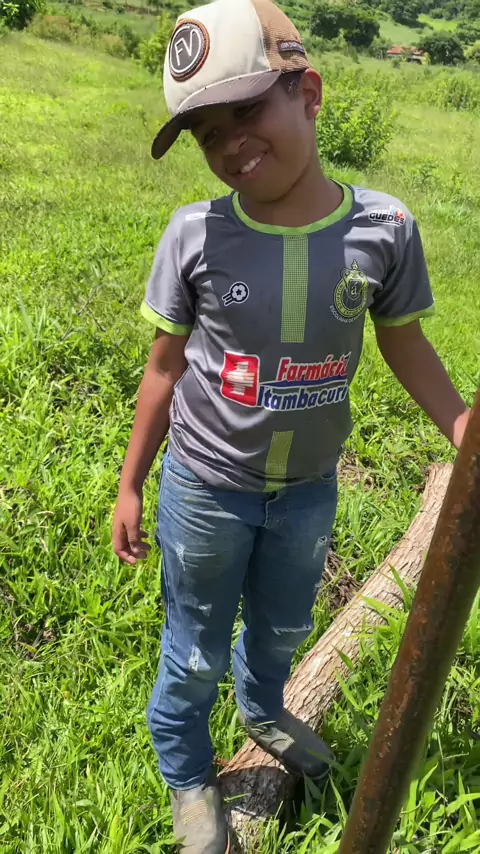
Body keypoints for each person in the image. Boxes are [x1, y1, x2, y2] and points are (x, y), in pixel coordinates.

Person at [112, 0, 471, 851]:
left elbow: (405, 341)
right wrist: (130, 485)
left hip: (308, 492)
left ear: (306, 92)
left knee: (281, 627)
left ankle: (265, 708)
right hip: (206, 489)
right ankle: (188, 773)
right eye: (208, 134)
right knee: (194, 648)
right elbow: (162, 372)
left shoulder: (384, 228)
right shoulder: (194, 235)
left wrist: (462, 427)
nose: (231, 143)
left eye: (247, 111)